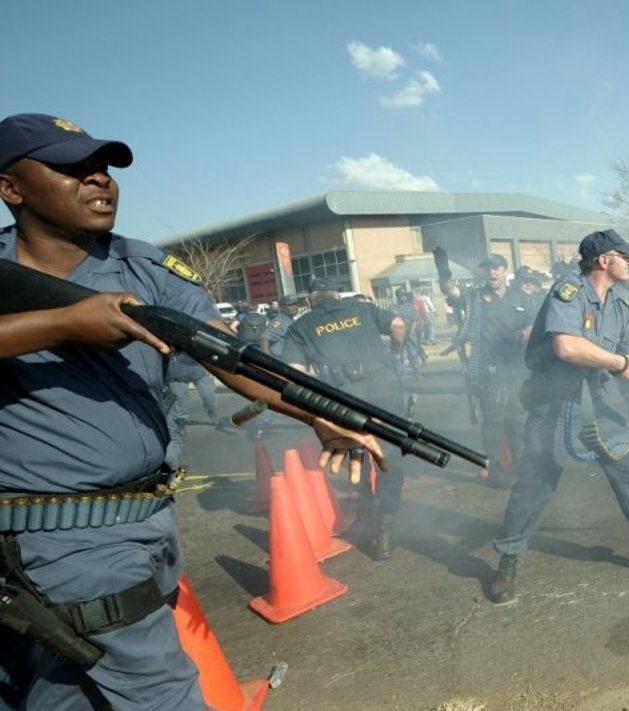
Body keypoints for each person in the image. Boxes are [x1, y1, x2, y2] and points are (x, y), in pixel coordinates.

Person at [0, 113, 382, 710]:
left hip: (146, 525)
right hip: (62, 539)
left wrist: (317, 411)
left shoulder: (142, 265)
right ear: (11, 188)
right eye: (72, 168)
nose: (98, 180)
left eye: (103, 168)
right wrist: (61, 324)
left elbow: (226, 352)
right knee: (165, 695)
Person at [488, 230, 629, 603]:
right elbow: (567, 347)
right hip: (555, 403)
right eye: (625, 256)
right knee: (537, 480)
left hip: (595, 403)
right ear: (603, 260)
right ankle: (509, 558)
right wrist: (620, 363)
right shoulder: (567, 292)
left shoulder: (619, 304)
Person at [282, 278, 409, 560]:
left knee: (355, 455)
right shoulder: (362, 309)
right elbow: (398, 325)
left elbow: (295, 371)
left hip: (342, 398)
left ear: (310, 299)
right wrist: (396, 353)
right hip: (384, 390)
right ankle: (386, 522)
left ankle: (367, 506)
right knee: (388, 454)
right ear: (337, 295)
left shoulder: (300, 327)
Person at [447, 255, 536, 488]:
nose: (492, 273)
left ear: (506, 271)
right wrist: (443, 272)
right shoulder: (475, 296)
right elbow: (453, 292)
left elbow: (533, 321)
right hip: (489, 369)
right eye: (488, 269)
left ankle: (519, 469)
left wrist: (522, 333)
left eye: (496, 269)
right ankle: (496, 472)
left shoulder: (522, 297)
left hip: (517, 366)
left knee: (517, 419)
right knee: (494, 421)